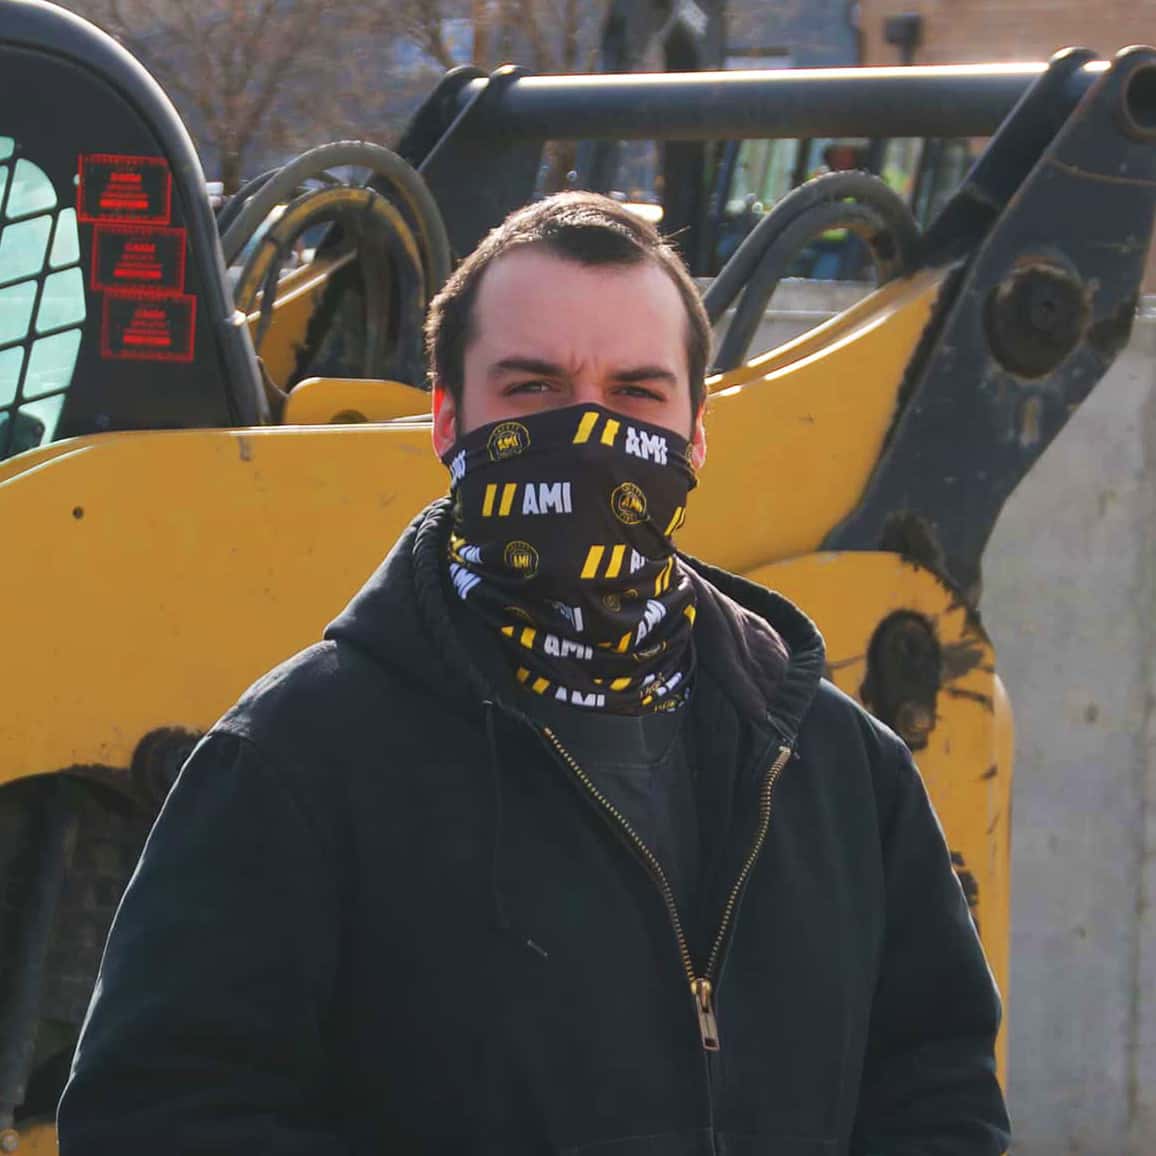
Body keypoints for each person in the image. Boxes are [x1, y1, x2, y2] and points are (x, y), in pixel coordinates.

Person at [58, 192, 1010, 1154]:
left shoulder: (841, 769)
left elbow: (937, 1083)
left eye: (636, 394)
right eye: (535, 389)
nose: (588, 433)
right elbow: (158, 1119)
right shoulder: (289, 767)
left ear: (697, 434)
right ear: (445, 420)